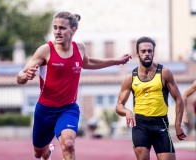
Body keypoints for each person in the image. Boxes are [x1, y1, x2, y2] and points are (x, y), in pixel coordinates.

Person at [17, 11, 131, 160]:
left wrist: (115, 61)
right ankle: (48, 152)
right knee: (39, 153)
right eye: (55, 27)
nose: (57, 32)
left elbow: (88, 63)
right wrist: (25, 76)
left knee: (69, 144)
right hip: (45, 110)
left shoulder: (80, 48)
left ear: (73, 30)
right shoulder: (46, 50)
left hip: (68, 108)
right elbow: (20, 76)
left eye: (62, 28)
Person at [115, 36, 186, 160]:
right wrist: (127, 111)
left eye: (150, 51)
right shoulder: (130, 77)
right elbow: (118, 105)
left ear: (153, 52)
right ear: (137, 53)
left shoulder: (164, 72)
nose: (147, 54)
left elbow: (179, 99)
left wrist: (178, 124)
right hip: (140, 124)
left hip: (160, 123)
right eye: (143, 51)